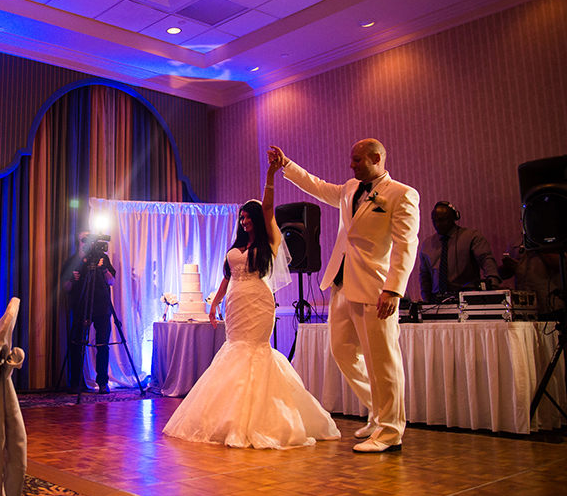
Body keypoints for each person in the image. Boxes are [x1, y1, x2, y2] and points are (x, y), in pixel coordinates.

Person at [163, 159, 340, 449]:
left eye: (248, 217)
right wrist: (215, 302)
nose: (244, 222)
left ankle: (259, 418)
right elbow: (226, 276)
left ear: (257, 218)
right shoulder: (236, 245)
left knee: (255, 351)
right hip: (235, 301)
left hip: (258, 302)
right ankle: (225, 416)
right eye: (241, 218)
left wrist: (271, 175)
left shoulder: (269, 241)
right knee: (234, 350)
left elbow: (269, 208)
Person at [269, 139, 420, 454]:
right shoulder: (351, 188)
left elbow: (406, 245)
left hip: (375, 288)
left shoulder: (401, 194)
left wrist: (393, 289)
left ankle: (391, 431)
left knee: (383, 360)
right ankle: (378, 413)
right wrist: (287, 165)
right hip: (341, 283)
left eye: (357, 160)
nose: (351, 165)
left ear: (377, 157)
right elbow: (319, 187)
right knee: (342, 351)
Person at [61, 231, 116, 394]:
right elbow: (65, 287)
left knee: (103, 345)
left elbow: (112, 281)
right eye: (84, 239)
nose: (88, 242)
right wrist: (72, 279)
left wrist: (104, 269)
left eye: (90, 239)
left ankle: (103, 383)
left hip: (102, 307)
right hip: (81, 306)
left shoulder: (102, 258)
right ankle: (75, 382)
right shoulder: (72, 261)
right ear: (78, 241)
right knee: (77, 344)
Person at [418, 201, 501, 302]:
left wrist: (492, 285)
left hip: (467, 298)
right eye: (434, 221)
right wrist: (426, 301)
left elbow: (486, 260)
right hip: (438, 301)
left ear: (454, 218)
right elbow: (425, 276)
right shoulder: (427, 244)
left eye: (441, 220)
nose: (437, 225)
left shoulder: (472, 237)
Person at [500, 239, 564, 320]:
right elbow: (503, 275)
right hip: (523, 308)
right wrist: (507, 266)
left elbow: (559, 265)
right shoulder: (516, 242)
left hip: (550, 306)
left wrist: (539, 243)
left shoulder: (553, 239)